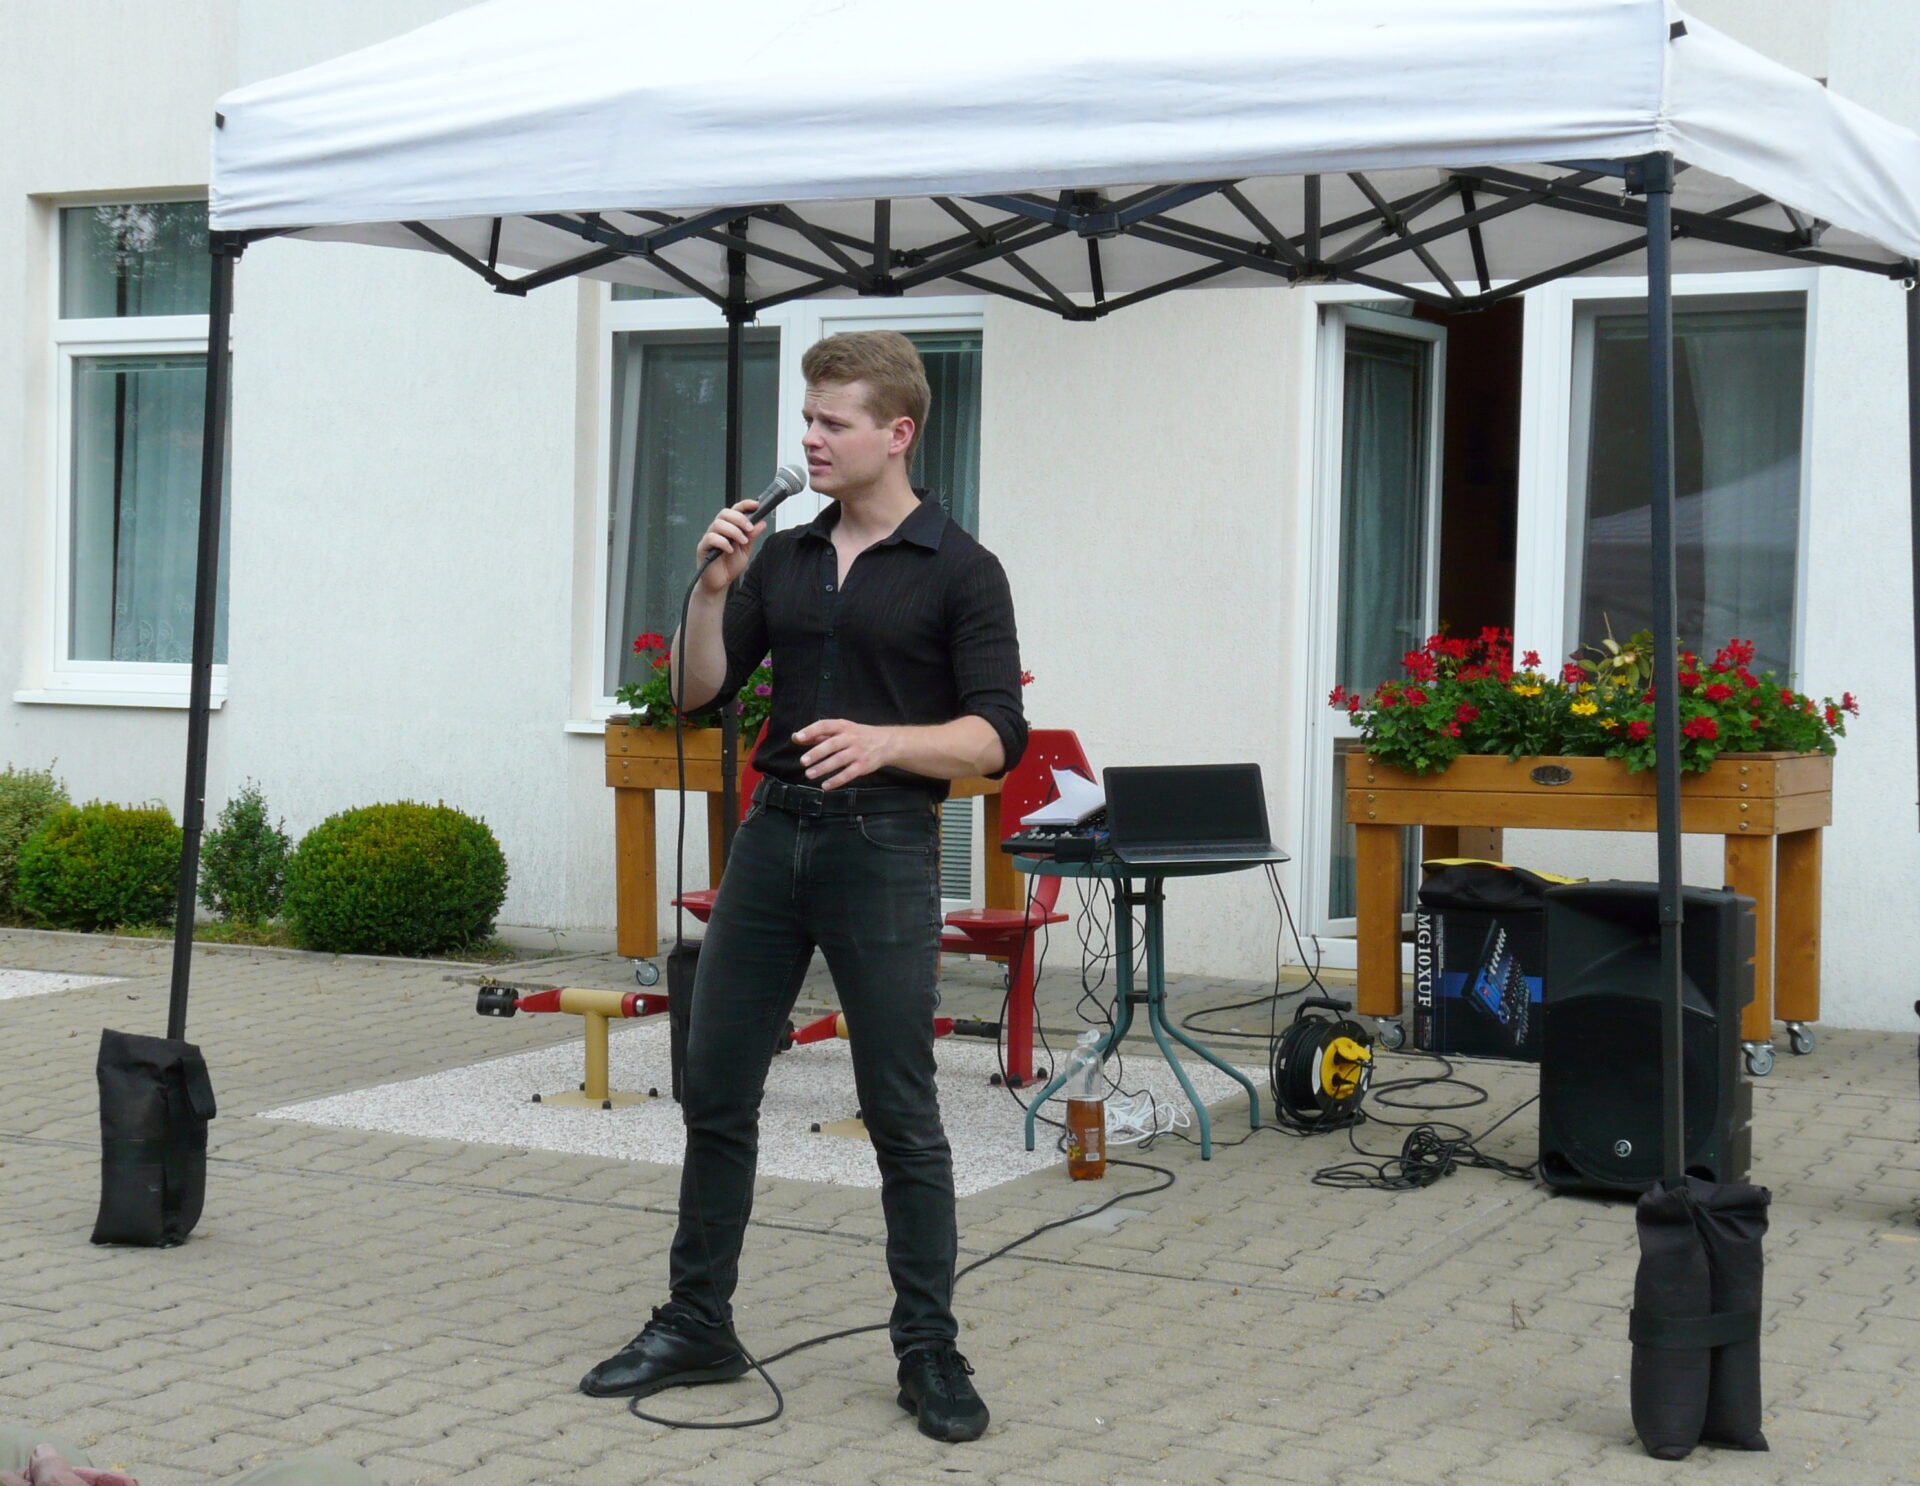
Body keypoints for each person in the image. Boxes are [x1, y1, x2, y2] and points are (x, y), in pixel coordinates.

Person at [579, 330, 1026, 1443]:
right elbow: (697, 694)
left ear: (898, 432)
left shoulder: (962, 570)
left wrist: (886, 743)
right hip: (771, 840)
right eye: (808, 420)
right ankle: (699, 1322)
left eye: (834, 422)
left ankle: (928, 1349)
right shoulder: (783, 557)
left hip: (885, 846)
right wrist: (711, 591)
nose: (811, 440)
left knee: (901, 1110)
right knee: (716, 1085)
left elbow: (995, 737)